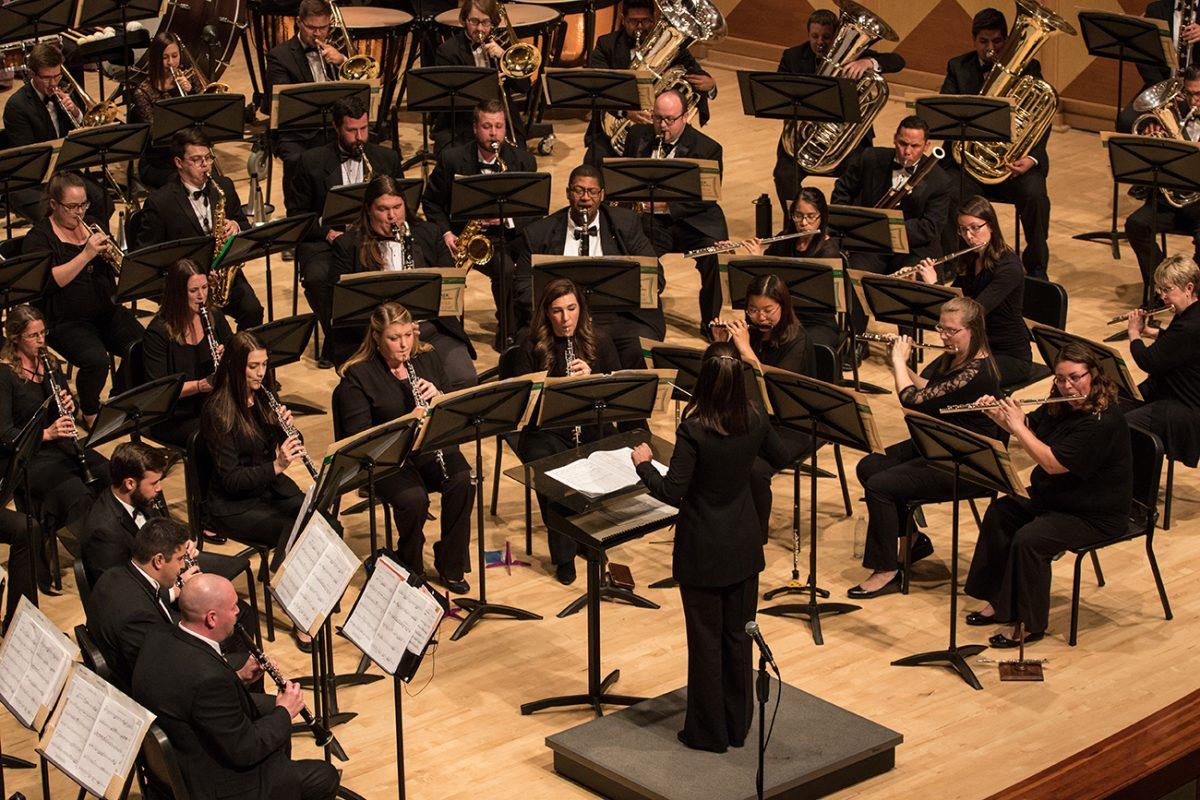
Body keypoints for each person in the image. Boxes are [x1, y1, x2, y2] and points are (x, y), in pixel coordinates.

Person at [632, 341, 792, 754]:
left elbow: (672, 491)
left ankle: (708, 732)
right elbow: (781, 455)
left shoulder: (694, 426)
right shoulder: (754, 417)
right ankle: (737, 727)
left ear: (704, 379)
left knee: (705, 640)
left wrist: (643, 463)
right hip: (742, 543)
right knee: (737, 637)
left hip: (703, 547)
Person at [965, 344, 1133, 647]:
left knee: (1030, 540)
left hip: (1094, 513)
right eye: (1059, 378)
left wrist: (1017, 428)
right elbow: (1032, 428)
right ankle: (1000, 602)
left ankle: (1030, 625)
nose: (1067, 385)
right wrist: (999, 417)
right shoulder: (1062, 403)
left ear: (1093, 376)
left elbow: (1053, 463)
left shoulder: (1101, 421)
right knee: (1001, 513)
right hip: (1058, 498)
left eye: (1075, 377)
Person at [132, 574, 340, 800]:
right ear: (211, 618)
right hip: (211, 784)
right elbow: (244, 749)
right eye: (232, 608)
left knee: (270, 712)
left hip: (179, 750)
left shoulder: (160, 634)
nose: (238, 612)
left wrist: (238, 678)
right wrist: (285, 711)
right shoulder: (208, 680)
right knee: (324, 776)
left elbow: (191, 695)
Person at [848, 297, 1002, 599]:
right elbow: (930, 388)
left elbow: (912, 399)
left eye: (951, 331)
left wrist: (898, 362)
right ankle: (913, 540)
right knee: (869, 466)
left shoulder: (976, 372)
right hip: (938, 443)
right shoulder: (955, 355)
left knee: (880, 486)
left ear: (973, 330)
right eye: (940, 328)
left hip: (966, 460)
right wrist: (902, 361)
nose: (943, 336)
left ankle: (886, 570)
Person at [334, 303, 475, 592]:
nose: (403, 345)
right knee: (414, 499)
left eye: (408, 335)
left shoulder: (427, 359)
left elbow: (450, 411)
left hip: (429, 447)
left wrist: (439, 399)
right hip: (388, 459)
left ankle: (451, 563)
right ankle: (409, 561)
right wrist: (407, 424)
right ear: (376, 337)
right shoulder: (358, 376)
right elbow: (360, 439)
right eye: (394, 338)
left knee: (463, 479)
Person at [500, 279, 621, 584]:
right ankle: (564, 556)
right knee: (551, 473)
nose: (565, 319)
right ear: (546, 313)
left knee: (606, 462)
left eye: (571, 309)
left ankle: (592, 540)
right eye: (557, 311)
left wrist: (591, 381)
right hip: (544, 429)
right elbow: (521, 404)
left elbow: (617, 390)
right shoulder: (529, 343)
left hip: (591, 424)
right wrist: (556, 392)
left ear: (581, 309)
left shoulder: (600, 340)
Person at [286, 96, 405, 368]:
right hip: (329, 240)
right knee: (317, 278)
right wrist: (328, 232)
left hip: (376, 237)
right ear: (337, 128)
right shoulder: (311, 161)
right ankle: (338, 339)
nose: (359, 137)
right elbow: (298, 214)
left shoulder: (385, 158)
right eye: (352, 130)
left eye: (364, 129)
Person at [20, 174, 143, 426]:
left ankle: (118, 397)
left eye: (83, 205)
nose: (79, 212)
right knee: (96, 360)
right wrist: (86, 254)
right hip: (64, 319)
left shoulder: (93, 225)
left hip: (104, 310)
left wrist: (113, 259)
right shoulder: (39, 238)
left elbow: (116, 273)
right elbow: (47, 283)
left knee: (141, 345)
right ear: (54, 204)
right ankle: (89, 410)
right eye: (72, 207)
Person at [940, 7, 1052, 280]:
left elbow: (1041, 119)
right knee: (949, 192)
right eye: (984, 41)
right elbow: (945, 115)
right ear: (974, 41)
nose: (991, 48)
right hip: (972, 162)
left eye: (998, 41)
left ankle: (1037, 268)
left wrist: (1031, 159)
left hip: (1014, 163)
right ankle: (958, 263)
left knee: (1036, 196)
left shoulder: (1029, 68)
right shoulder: (958, 67)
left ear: (1007, 40)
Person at [330, 176, 475, 388]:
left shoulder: (429, 233)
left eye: (397, 207)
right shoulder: (348, 245)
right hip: (375, 339)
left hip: (428, 331)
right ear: (368, 209)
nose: (392, 216)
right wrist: (386, 333)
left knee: (464, 377)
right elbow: (337, 306)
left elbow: (449, 289)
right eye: (383, 209)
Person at [513, 163, 660, 368]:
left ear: (602, 195)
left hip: (614, 316)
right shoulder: (539, 232)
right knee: (526, 343)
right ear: (568, 193)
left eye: (592, 192)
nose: (585, 198)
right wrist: (552, 309)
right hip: (558, 317)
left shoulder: (626, 224)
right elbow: (522, 286)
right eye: (578, 190)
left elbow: (655, 276)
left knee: (640, 345)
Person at [712, 274, 816, 540]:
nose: (760, 318)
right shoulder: (752, 332)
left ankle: (754, 535)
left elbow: (773, 393)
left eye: (768, 310)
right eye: (753, 310)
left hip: (791, 425)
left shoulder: (798, 341)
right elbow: (728, 378)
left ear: (784, 305)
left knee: (755, 468)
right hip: (752, 418)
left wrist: (745, 350)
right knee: (709, 443)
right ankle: (721, 520)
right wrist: (721, 343)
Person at [424, 100, 538, 343]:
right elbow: (431, 203)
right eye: (487, 126)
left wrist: (506, 218)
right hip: (462, 237)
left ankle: (509, 331)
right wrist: (446, 234)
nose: (494, 133)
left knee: (510, 267)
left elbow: (534, 211)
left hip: (507, 235)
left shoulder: (522, 161)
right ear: (475, 128)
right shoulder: (452, 159)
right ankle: (450, 334)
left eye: (499, 126)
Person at [772, 7, 906, 209]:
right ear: (808, 34)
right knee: (783, 174)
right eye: (814, 36)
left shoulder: (857, 54)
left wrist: (868, 62)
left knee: (861, 171)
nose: (820, 42)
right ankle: (798, 218)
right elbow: (778, 93)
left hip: (846, 139)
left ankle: (843, 222)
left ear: (835, 35)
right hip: (804, 137)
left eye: (826, 37)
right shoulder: (792, 57)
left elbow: (898, 61)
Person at [199, 332, 306, 569]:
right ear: (236, 367)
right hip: (235, 504)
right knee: (297, 531)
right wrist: (276, 466)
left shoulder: (263, 395)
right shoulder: (218, 412)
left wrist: (287, 430)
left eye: (265, 364)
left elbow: (296, 442)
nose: (261, 372)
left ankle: (320, 595)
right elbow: (231, 479)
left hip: (270, 489)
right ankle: (283, 590)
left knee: (322, 522)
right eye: (253, 366)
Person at [624, 89, 729, 331]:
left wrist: (666, 205)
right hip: (651, 222)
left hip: (694, 221)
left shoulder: (708, 149)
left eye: (670, 119)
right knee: (630, 246)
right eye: (657, 118)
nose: (663, 125)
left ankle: (710, 321)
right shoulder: (638, 136)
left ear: (685, 116)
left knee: (715, 256)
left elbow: (706, 198)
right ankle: (646, 316)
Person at [0, 305, 108, 539]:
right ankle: (92, 550)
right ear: (15, 338)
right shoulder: (4, 375)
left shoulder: (49, 362)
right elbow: (5, 435)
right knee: (77, 493)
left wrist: (72, 406)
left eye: (43, 333)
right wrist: (47, 434)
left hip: (61, 446)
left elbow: (72, 408)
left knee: (109, 473)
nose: (41, 341)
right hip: (27, 456)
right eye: (33, 336)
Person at [138, 129, 263, 330]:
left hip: (223, 277)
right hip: (186, 286)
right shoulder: (161, 202)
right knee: (213, 326)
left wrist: (236, 226)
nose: (205, 165)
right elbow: (150, 257)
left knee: (253, 311)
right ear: (179, 163)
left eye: (208, 158)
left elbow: (245, 225)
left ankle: (238, 359)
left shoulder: (224, 187)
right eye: (197, 160)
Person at [915, 196, 1032, 387]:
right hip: (973, 347)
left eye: (975, 227)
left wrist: (935, 282)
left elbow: (972, 312)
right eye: (963, 229)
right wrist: (923, 283)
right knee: (929, 377)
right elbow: (955, 299)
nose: (969, 236)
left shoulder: (1009, 266)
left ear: (991, 226)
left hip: (1007, 354)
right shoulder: (971, 258)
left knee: (949, 385)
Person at [584, 0, 716, 165]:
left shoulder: (671, 43)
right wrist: (626, 112)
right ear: (623, 20)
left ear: (654, 19)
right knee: (592, 164)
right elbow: (597, 87)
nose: (640, 26)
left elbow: (695, 72)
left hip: (658, 129)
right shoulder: (607, 45)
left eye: (645, 21)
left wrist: (710, 86)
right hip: (612, 130)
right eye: (633, 21)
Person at [2, 43, 114, 224]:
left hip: (66, 172)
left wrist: (76, 111)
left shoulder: (64, 90)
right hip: (37, 181)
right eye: (47, 78)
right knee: (56, 216)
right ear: (32, 74)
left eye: (57, 76)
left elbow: (82, 133)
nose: (53, 83)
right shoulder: (17, 106)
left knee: (103, 202)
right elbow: (28, 156)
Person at [85, 517, 199, 687]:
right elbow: (160, 675)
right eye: (180, 559)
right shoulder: (138, 616)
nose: (183, 566)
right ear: (158, 560)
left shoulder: (114, 574)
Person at [832, 115, 950, 274]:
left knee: (911, 281)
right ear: (895, 138)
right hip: (871, 243)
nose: (907, 151)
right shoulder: (870, 157)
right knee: (852, 274)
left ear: (927, 145)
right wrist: (849, 224)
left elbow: (930, 226)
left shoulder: (940, 179)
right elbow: (843, 190)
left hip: (912, 247)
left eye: (915, 146)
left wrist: (887, 229)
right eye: (903, 143)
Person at [1124, 66, 1200, 306]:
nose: (1194, 100)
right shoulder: (1172, 114)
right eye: (1189, 94)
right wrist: (1151, 140)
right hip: (1170, 201)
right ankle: (1161, 290)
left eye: (1199, 94)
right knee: (1136, 224)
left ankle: (1193, 298)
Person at [143, 258, 234, 448]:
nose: (201, 296)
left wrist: (229, 358)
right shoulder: (157, 332)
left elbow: (237, 354)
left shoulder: (213, 316)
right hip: (175, 417)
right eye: (193, 291)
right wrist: (201, 385)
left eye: (204, 287)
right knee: (224, 433)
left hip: (212, 405)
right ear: (177, 294)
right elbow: (160, 392)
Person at [739, 187, 842, 351]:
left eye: (811, 216)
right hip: (780, 316)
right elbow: (765, 283)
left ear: (822, 217)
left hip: (815, 321)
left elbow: (821, 297)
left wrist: (760, 260)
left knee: (796, 344)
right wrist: (755, 260)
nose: (803, 223)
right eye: (798, 216)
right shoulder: (784, 239)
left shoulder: (828, 252)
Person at [1123, 255, 1200, 474]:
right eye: (1160, 290)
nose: (1163, 297)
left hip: (1186, 407)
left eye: (1167, 290)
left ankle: (1138, 493)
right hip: (1173, 392)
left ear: (1189, 287)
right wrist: (1151, 331)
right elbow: (1179, 344)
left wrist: (1134, 334)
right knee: (1115, 404)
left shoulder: (1190, 326)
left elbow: (1148, 362)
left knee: (1126, 426)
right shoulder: (1190, 313)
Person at [264, 0, 346, 193]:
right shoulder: (279, 56)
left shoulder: (334, 52)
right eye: (311, 27)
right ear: (299, 22)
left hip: (333, 126)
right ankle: (299, 212)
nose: (317, 33)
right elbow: (280, 104)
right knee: (298, 161)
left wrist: (342, 61)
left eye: (323, 27)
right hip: (298, 132)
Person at [433, 0, 530, 150]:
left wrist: (503, 57)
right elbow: (448, 101)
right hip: (463, 122)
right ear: (464, 21)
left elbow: (524, 87)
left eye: (485, 22)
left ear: (493, 23)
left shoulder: (503, 46)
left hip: (500, 120)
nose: (479, 28)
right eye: (474, 21)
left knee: (523, 160)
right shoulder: (448, 51)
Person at [129, 32, 199, 189]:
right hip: (159, 162)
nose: (171, 62)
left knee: (206, 173)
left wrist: (190, 92)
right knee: (185, 182)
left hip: (188, 154)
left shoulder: (189, 78)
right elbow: (156, 135)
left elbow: (201, 115)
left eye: (175, 56)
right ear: (155, 59)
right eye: (165, 58)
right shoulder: (143, 92)